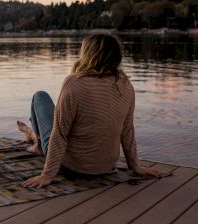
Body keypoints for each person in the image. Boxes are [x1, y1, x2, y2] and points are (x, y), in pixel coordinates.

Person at [18, 34, 166, 189]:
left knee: (40, 96)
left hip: (71, 168)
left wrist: (47, 175)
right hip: (105, 168)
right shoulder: (126, 85)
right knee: (65, 117)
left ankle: (39, 145)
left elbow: (60, 133)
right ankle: (35, 139)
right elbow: (127, 131)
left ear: (88, 54)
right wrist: (135, 166)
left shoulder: (74, 82)